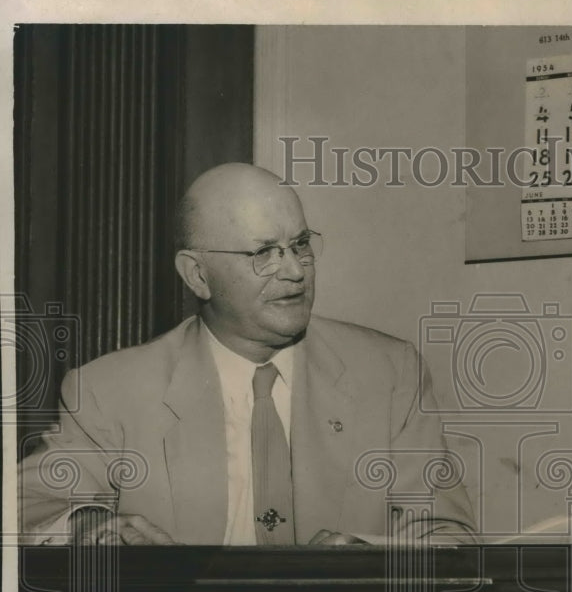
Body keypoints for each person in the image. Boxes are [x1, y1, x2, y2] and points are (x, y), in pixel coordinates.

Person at [19, 163, 476, 546]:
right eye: (263, 253)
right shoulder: (111, 391)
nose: (296, 271)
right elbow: (25, 506)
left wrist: (375, 562)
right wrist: (90, 527)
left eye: (300, 245)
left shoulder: (388, 373)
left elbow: (447, 534)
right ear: (197, 275)